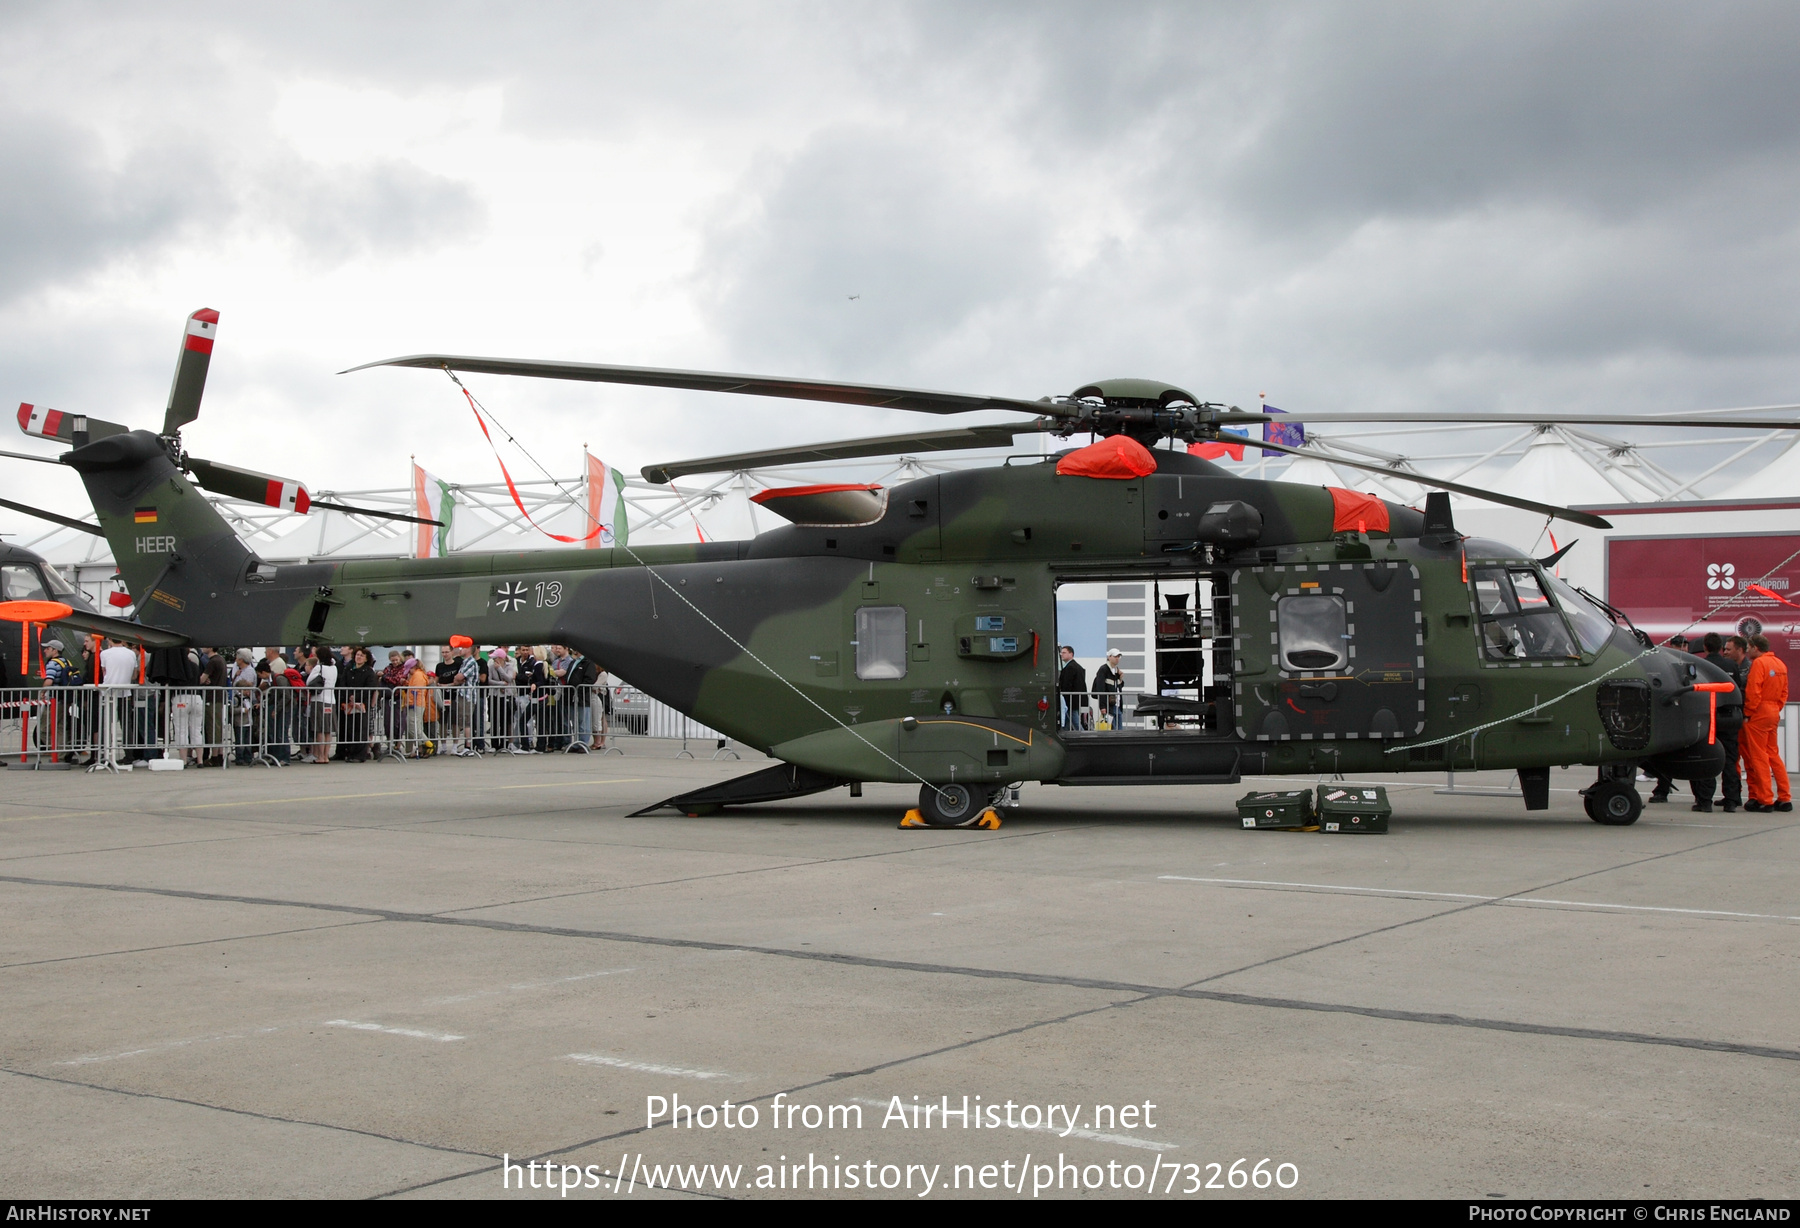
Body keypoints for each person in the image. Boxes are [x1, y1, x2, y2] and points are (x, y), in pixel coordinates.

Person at [1691, 633, 1745, 813]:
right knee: (1729, 760)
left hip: (1709, 717)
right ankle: (1731, 800)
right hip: (1729, 717)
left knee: (1707, 758)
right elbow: (1738, 689)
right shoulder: (1731, 665)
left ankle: (1704, 801)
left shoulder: (1700, 666)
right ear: (1721, 648)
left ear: (1705, 647)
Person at [1740, 633, 1791, 813]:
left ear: (1755, 647)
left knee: (1758, 756)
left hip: (1759, 712)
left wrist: (1748, 712)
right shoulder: (1779, 663)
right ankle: (1784, 797)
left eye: (1748, 648)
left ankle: (1765, 798)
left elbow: (1753, 690)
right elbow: (1784, 692)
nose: (1747, 651)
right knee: (1773, 754)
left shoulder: (1759, 663)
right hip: (1773, 711)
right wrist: (1776, 707)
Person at [98, 637, 139, 765]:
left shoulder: (104, 653)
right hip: (125, 692)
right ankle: (129, 754)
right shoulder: (131, 653)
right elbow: (134, 674)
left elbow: (104, 671)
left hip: (108, 692)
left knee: (106, 725)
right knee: (127, 725)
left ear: (110, 640)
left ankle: (106, 754)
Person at [340, 647, 377, 761]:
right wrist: (349, 696)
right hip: (349, 703)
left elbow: (370, 687)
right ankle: (350, 753)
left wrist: (357, 697)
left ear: (366, 659)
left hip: (362, 704)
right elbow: (343, 682)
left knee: (360, 728)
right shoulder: (349, 669)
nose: (359, 657)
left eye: (361, 655)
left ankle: (360, 754)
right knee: (350, 728)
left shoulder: (369, 671)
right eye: (357, 655)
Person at [487, 646, 517, 751]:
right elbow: (489, 680)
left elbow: (509, 678)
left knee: (505, 720)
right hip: (495, 696)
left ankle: (504, 744)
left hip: (506, 697)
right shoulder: (490, 667)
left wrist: (499, 669)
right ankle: (494, 744)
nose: (494, 660)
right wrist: (500, 684)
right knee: (495, 720)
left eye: (495, 658)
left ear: (501, 658)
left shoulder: (509, 666)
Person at [1092, 649, 1125, 730]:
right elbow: (1100, 688)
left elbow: (1118, 687)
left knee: (1118, 730)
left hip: (1117, 705)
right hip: (1109, 705)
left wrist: (1120, 679)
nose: (1117, 658)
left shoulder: (1116, 670)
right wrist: (1102, 706)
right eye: (1115, 656)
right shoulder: (1103, 669)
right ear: (1109, 657)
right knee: (1113, 730)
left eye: (1118, 656)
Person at [1057, 645, 1089, 730]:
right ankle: (1065, 733)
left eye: (1064, 652)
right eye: (1061, 652)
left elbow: (1067, 684)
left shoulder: (1070, 668)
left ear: (1071, 654)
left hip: (1070, 700)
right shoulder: (1077, 667)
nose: (1061, 654)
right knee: (1068, 720)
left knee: (1074, 720)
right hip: (1075, 699)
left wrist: (1063, 696)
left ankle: (1083, 735)